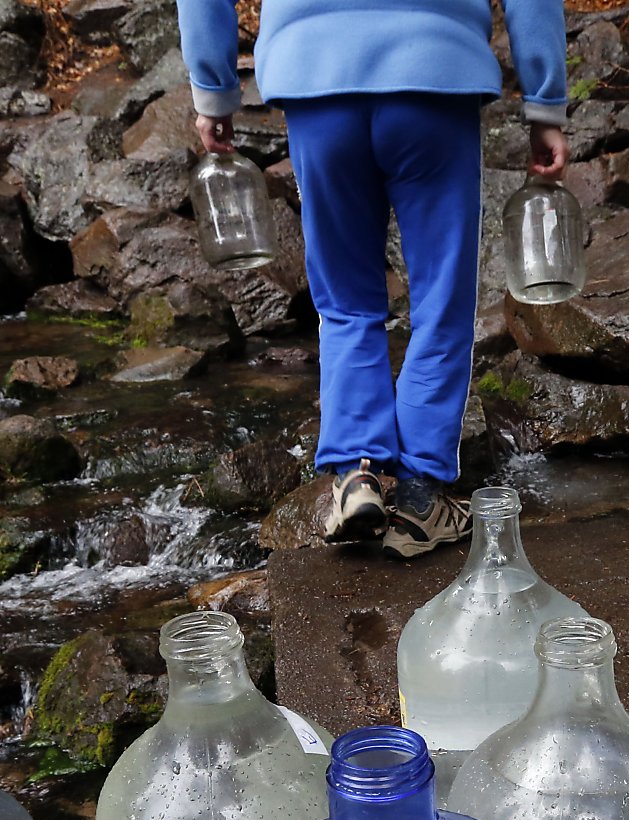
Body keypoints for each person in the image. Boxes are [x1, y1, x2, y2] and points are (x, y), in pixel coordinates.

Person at [178, 0, 571, 558]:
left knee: (344, 299)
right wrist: (545, 104)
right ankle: (419, 495)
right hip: (435, 75)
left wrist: (214, 90)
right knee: (440, 299)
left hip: (316, 78)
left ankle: (357, 475)